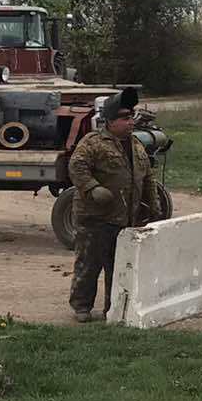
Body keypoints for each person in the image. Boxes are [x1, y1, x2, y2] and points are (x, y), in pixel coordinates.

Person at [67, 103, 160, 322]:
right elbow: (76, 166)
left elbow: (147, 178)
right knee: (89, 263)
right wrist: (92, 188)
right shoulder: (93, 143)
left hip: (124, 217)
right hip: (95, 217)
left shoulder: (136, 146)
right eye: (125, 119)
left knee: (117, 266)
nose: (130, 123)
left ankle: (113, 307)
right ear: (110, 122)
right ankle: (82, 306)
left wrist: (153, 206)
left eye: (131, 119)